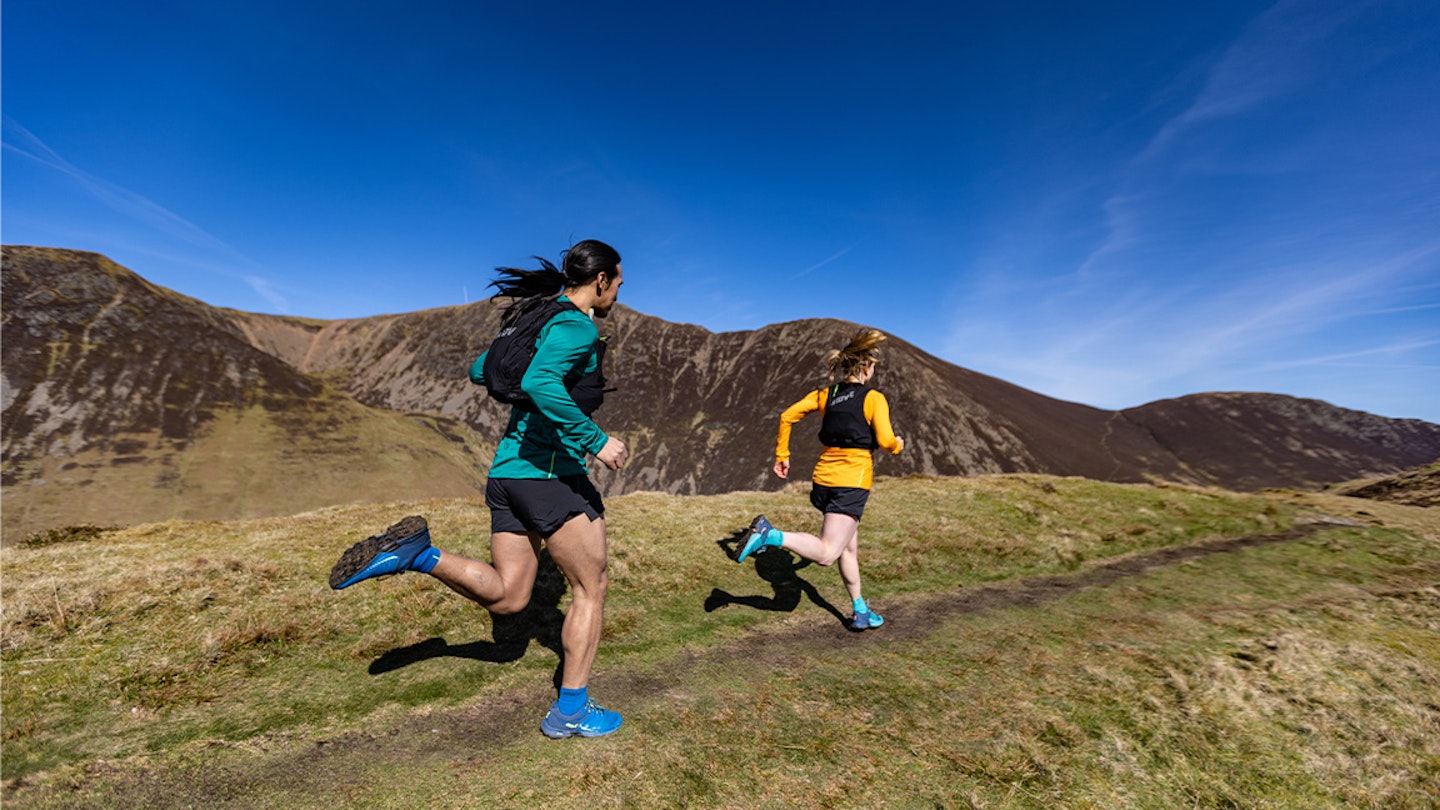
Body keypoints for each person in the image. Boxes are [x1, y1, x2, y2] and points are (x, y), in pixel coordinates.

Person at [328, 239, 630, 739]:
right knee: (589, 588)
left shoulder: (538, 318)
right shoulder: (576, 325)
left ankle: (417, 556)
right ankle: (571, 711)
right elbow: (539, 382)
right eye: (618, 282)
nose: (618, 291)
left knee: (511, 597)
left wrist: (531, 366)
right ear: (600, 280)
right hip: (551, 476)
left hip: (507, 474)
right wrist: (596, 440)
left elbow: (481, 369)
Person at [735, 327, 904, 631]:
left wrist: (782, 454)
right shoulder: (873, 398)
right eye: (874, 366)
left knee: (848, 548)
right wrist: (898, 445)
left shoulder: (827, 395)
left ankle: (860, 611)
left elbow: (787, 416)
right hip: (851, 482)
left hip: (824, 480)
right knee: (828, 553)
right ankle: (769, 535)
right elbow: (886, 439)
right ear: (866, 367)